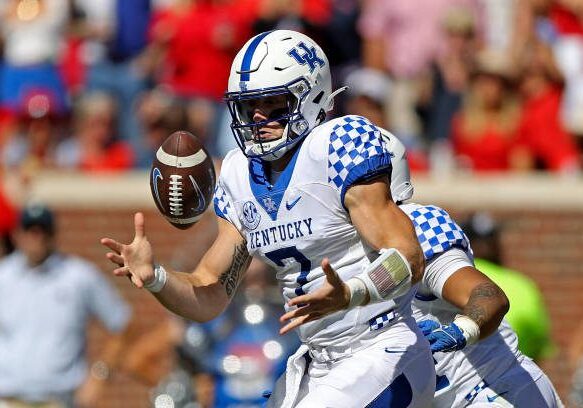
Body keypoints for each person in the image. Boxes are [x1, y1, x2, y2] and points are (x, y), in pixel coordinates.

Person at [101, 29, 435, 407]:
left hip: (381, 348)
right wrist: (156, 278)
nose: (257, 118)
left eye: (272, 103)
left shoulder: (339, 145)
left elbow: (408, 256)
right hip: (318, 362)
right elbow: (209, 292)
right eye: (248, 107)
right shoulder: (240, 174)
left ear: (312, 95)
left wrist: (352, 291)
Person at [380, 130, 563, 407]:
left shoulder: (414, 226)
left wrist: (459, 330)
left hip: (491, 391)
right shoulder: (329, 243)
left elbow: (488, 296)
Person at [0, 203, 132, 408]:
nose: (37, 237)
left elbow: (121, 323)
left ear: (53, 234)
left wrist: (100, 374)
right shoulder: (3, 276)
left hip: (60, 399)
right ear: (18, 234)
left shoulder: (78, 276)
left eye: (42, 230)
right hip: (9, 398)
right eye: (30, 230)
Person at [461, 211, 555, 362]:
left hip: (459, 379)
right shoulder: (523, 284)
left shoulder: (451, 279)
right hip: (515, 378)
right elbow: (538, 351)